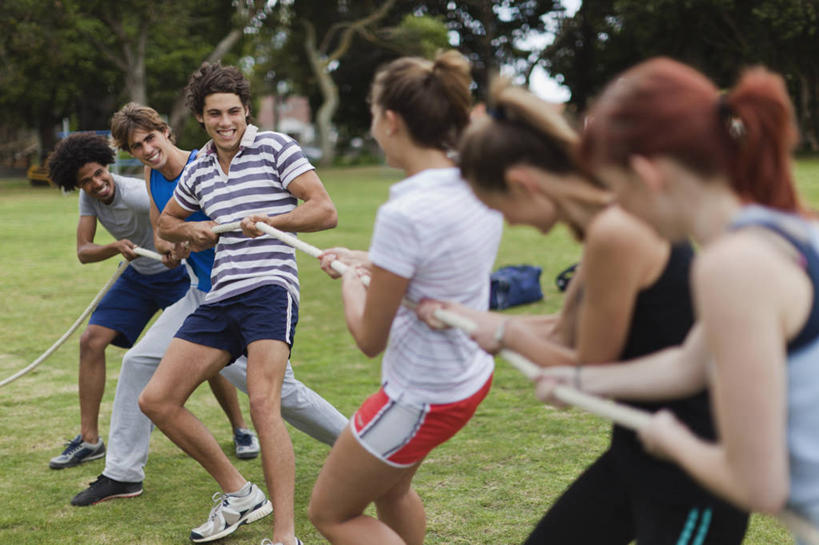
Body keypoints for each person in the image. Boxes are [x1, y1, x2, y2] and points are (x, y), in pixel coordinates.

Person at [414, 80, 749, 545]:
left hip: (692, 468)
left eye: (500, 207)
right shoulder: (605, 222)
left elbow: (587, 367)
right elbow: (563, 329)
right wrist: (464, 316)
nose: (509, 222)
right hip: (636, 451)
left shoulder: (619, 229)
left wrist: (505, 333)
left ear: (522, 183)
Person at [537, 58, 819, 542]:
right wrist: (579, 377)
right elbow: (688, 364)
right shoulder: (792, 229)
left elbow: (759, 485)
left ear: (647, 173)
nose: (616, 212)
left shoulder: (731, 266)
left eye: (618, 191)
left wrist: (676, 441)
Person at [67, 104, 347, 508]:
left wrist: (210, 232)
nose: (147, 150)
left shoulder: (206, 163)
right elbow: (164, 229)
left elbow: (253, 214)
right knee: (138, 363)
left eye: (151, 138)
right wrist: (174, 245)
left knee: (279, 394)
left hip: (244, 294)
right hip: (202, 295)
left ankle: (362, 447)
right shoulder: (152, 176)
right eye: (136, 146)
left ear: (167, 132)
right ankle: (123, 473)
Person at [306, 50, 503, 545]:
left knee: (331, 513)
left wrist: (352, 279)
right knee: (391, 492)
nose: (373, 126)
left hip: (421, 396)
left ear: (391, 121)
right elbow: (434, 264)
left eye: (373, 115)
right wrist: (367, 259)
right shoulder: (474, 182)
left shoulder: (407, 210)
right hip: (466, 378)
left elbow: (370, 337)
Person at [138, 62, 338, 545]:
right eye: (214, 114)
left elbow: (324, 210)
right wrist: (192, 230)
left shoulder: (275, 146)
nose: (226, 122)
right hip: (220, 295)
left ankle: (285, 536)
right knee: (158, 400)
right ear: (200, 119)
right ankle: (240, 493)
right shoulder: (198, 167)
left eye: (233, 111)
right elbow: (167, 224)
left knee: (266, 400)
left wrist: (272, 219)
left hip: (270, 287)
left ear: (246, 111)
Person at [46, 133, 248, 472]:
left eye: (99, 173)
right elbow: (83, 252)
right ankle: (90, 439)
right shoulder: (90, 200)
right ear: (78, 186)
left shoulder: (138, 194)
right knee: (91, 340)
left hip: (176, 278)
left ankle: (241, 429)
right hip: (137, 276)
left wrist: (181, 245)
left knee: (211, 353)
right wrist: (114, 247)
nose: (97, 184)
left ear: (107, 166)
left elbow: (180, 222)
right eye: (86, 182)